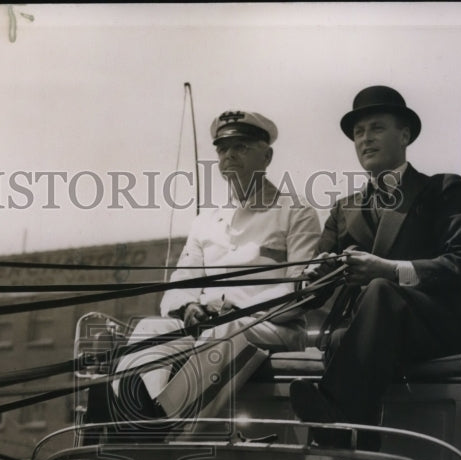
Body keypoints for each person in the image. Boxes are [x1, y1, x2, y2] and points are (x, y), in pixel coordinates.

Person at [290, 85, 461, 431]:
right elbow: (311, 293)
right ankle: (356, 432)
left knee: (380, 288)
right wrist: (316, 275)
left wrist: (390, 271)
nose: (365, 139)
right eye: (358, 133)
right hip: (363, 340)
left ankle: (340, 415)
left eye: (377, 128)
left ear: (405, 134)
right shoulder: (344, 208)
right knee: (354, 317)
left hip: (433, 328)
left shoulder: (441, 190)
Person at [112, 110, 321, 425]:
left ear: (267, 156)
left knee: (226, 330)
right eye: (223, 149)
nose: (229, 155)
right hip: (208, 326)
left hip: (270, 327)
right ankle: (138, 417)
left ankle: (171, 428)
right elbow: (181, 283)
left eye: (241, 146)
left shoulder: (296, 212)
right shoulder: (206, 221)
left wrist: (235, 310)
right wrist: (188, 308)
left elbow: (300, 289)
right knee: (149, 329)